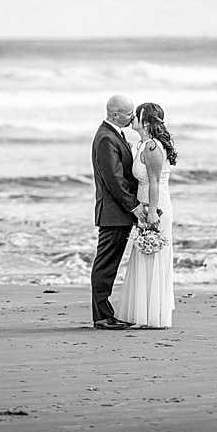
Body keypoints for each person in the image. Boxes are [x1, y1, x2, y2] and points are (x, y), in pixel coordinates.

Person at [116, 102, 177, 329]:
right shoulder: (140, 144)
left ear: (147, 121)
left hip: (157, 206)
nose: (132, 117)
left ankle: (153, 316)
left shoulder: (152, 147)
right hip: (144, 206)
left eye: (137, 115)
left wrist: (152, 212)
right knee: (143, 256)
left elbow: (154, 182)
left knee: (153, 256)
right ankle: (143, 314)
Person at [90, 95, 147, 330]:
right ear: (115, 115)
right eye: (128, 113)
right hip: (114, 212)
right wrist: (134, 205)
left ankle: (105, 313)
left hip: (117, 212)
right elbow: (113, 179)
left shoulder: (115, 134)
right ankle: (102, 316)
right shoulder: (105, 138)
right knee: (106, 264)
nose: (132, 117)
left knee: (110, 264)